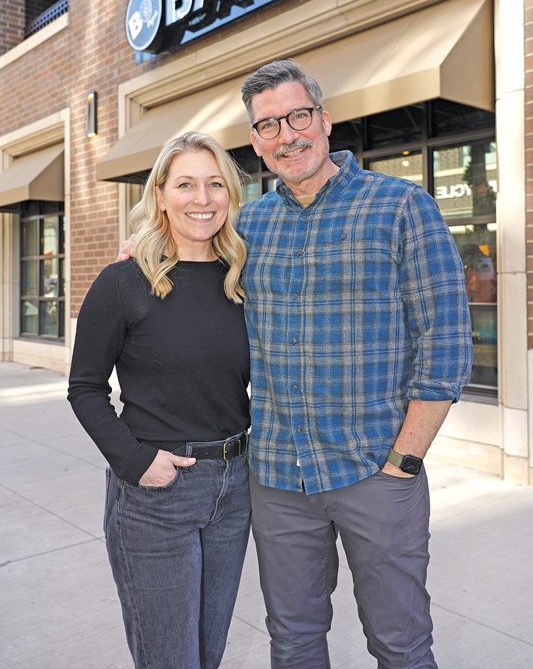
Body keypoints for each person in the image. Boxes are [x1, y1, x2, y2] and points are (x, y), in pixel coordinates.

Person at [118, 60, 473, 669]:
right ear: (255, 142)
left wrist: (404, 461)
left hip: (375, 473)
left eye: (298, 116)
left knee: (402, 644)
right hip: (279, 479)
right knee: (295, 642)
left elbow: (446, 345)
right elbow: (187, 241)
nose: (287, 135)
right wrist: (141, 248)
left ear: (325, 121)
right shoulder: (247, 225)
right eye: (267, 126)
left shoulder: (401, 207)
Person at [68, 132, 251, 669]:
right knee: (171, 658)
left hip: (233, 488)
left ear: (230, 196)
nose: (202, 198)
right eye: (186, 184)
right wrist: (136, 462)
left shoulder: (242, 279)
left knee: (208, 653)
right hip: (156, 492)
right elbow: (85, 388)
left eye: (215, 184)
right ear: (161, 195)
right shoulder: (124, 281)